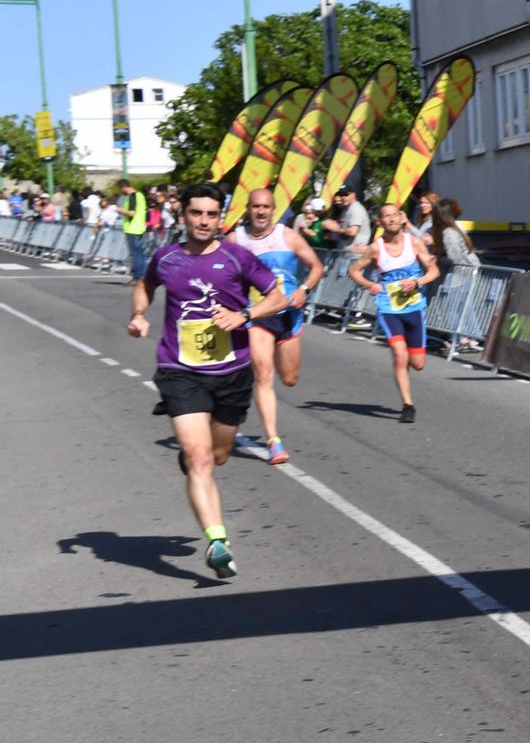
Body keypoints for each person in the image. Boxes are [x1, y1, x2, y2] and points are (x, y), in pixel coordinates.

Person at [127, 183, 291, 578]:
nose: (204, 221)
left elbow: (278, 296)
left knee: (217, 455)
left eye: (211, 215)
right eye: (196, 213)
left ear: (221, 217)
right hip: (179, 370)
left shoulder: (237, 258)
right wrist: (138, 314)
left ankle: (199, 461)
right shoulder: (167, 258)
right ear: (183, 215)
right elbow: (146, 285)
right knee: (200, 458)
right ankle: (218, 542)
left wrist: (245, 315)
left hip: (231, 372)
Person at [231, 187, 325, 466]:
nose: (261, 212)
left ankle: (257, 372)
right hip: (256, 316)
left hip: (288, 314)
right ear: (248, 209)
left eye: (266, 207)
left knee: (290, 378)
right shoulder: (235, 240)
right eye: (256, 207)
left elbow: (316, 266)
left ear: (274, 210)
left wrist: (305, 289)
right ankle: (274, 440)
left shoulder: (287, 236)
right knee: (263, 373)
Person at [347, 201, 440, 424]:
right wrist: (370, 285)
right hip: (388, 308)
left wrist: (417, 282)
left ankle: (406, 365)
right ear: (380, 222)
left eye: (394, 215)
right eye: (385, 216)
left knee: (418, 364)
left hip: (414, 308)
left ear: (401, 218)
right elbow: (354, 270)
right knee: (399, 354)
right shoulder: (376, 248)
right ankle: (408, 405)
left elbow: (434, 270)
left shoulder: (414, 243)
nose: (390, 219)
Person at [112, 178, 150, 277]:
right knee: (140, 253)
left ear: (123, 187)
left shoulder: (132, 196)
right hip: (139, 227)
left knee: (136, 254)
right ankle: (143, 276)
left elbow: (131, 213)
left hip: (132, 228)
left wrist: (120, 210)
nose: (121, 191)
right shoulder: (140, 195)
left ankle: (138, 277)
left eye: (120, 189)